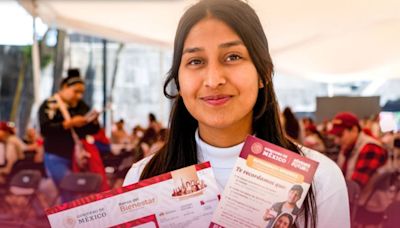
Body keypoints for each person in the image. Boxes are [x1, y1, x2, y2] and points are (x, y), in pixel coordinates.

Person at [123, 0, 350, 227]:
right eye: (195, 61)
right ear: (179, 82)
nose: (213, 80)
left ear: (264, 73)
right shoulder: (142, 180)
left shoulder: (321, 181)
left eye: (233, 57)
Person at [38, 68, 100, 203]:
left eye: (81, 93)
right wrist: (69, 123)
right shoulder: (50, 104)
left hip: (77, 156)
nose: (79, 96)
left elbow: (91, 130)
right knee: (69, 189)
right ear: (65, 87)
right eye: (76, 91)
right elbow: (45, 129)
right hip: (56, 155)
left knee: (78, 190)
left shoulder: (81, 106)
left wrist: (93, 121)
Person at [329, 112, 387, 189]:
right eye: (335, 136)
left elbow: (355, 187)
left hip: (365, 200)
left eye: (340, 135)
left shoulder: (370, 148)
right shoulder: (348, 147)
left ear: (354, 130)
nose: (336, 141)